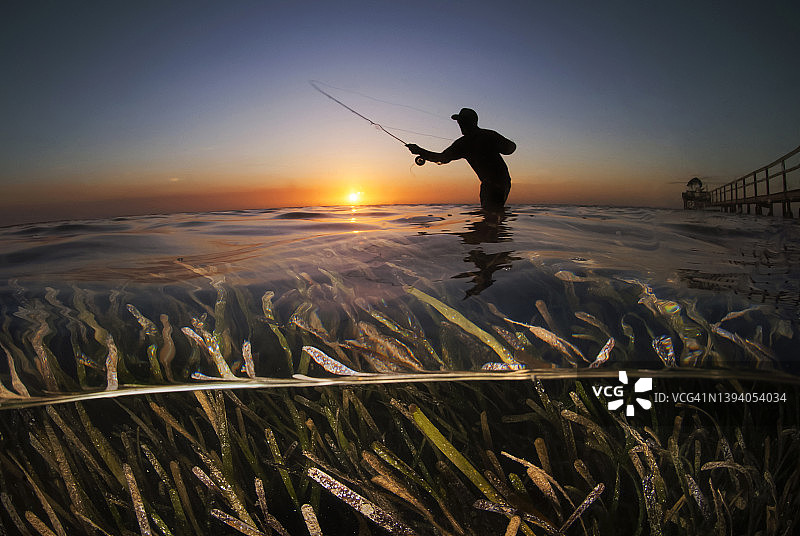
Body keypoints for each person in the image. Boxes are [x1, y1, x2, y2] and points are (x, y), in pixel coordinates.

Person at [406, 108, 516, 211]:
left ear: (472, 122)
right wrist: (420, 151)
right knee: (494, 216)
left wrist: (420, 151)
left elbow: (443, 158)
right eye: (459, 122)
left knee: (490, 215)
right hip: (502, 181)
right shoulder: (486, 135)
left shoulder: (465, 143)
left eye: (463, 122)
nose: (460, 125)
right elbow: (510, 148)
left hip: (493, 184)